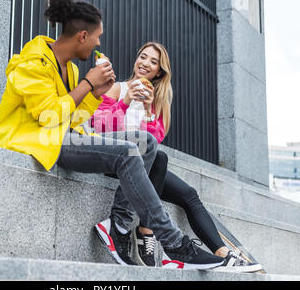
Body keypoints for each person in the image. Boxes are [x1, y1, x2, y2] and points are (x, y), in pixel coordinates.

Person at [0, 0, 224, 270]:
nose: (99, 43)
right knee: (128, 150)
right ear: (82, 36)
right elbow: (48, 117)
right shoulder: (34, 62)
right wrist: (90, 86)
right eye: (97, 37)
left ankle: (119, 225)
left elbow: (76, 119)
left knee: (146, 143)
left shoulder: (71, 70)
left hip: (65, 136)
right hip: (37, 140)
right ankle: (174, 243)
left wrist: (93, 93)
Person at [90, 42, 263, 272]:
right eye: (143, 57)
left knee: (189, 194)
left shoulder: (157, 102)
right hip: (114, 159)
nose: (145, 64)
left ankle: (224, 254)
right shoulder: (117, 89)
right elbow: (99, 128)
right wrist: (126, 101)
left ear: (159, 71)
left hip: (143, 165)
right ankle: (145, 231)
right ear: (136, 60)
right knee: (160, 159)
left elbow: (153, 141)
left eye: (153, 62)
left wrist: (149, 110)